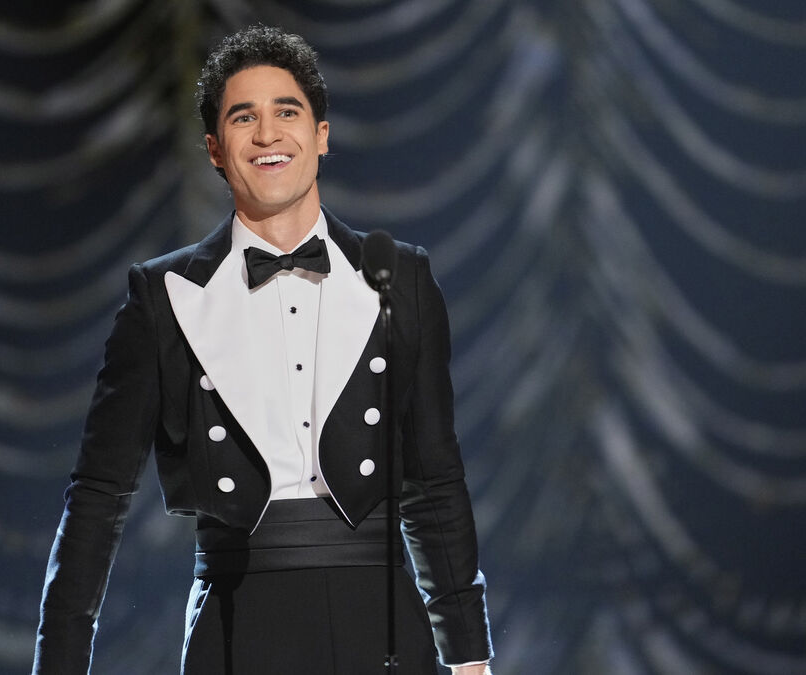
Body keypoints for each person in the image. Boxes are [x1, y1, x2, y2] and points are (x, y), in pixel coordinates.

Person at [33, 25, 494, 675]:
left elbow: (434, 479)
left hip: (384, 624)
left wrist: (470, 656)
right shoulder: (163, 298)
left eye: (287, 112)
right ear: (215, 150)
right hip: (238, 626)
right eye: (243, 117)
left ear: (322, 134)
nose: (268, 133)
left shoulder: (403, 279)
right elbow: (98, 495)